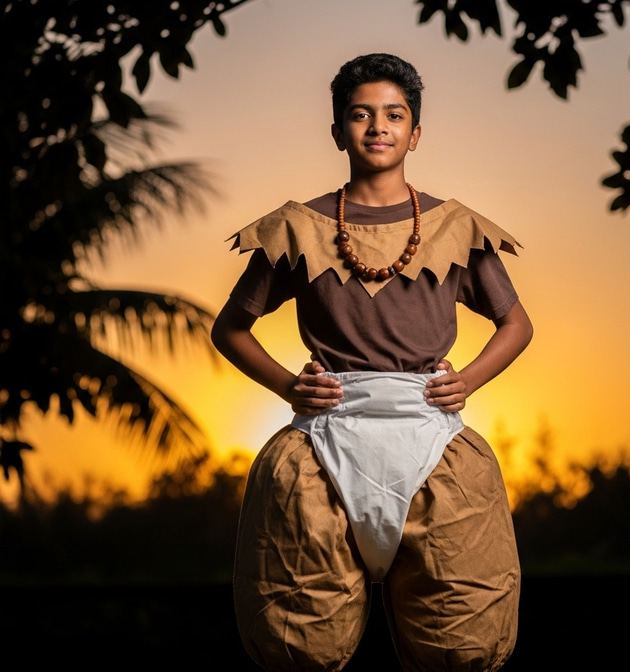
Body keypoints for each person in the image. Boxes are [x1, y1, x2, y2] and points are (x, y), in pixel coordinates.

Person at [211, 53, 533, 672]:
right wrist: (288, 385)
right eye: (360, 115)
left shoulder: (455, 227)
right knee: (299, 641)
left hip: (433, 438)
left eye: (394, 115)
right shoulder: (297, 229)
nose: (377, 127)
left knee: (460, 640)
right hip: (322, 443)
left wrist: (468, 379)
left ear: (415, 132)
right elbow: (230, 328)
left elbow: (516, 324)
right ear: (337, 131)